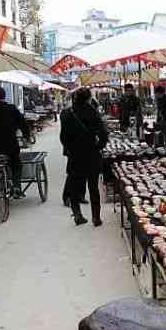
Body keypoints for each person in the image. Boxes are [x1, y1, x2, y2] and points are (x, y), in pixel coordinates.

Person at [60, 87, 108, 227]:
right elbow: (104, 135)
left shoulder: (68, 113)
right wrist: (99, 147)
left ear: (75, 98)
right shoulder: (93, 112)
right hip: (92, 153)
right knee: (93, 186)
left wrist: (70, 149)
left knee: (75, 185)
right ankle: (96, 217)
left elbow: (63, 137)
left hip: (75, 155)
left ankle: (78, 215)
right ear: (88, 98)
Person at [0, 85, 30, 199]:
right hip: (10, 145)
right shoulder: (12, 108)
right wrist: (26, 136)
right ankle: (17, 187)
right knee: (16, 164)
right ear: (4, 95)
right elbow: (23, 124)